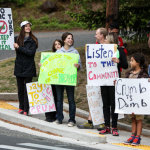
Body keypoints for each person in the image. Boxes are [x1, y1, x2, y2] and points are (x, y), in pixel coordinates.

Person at [77, 28, 108, 129]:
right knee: (93, 97)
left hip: (106, 78)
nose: (95, 36)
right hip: (95, 76)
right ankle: (90, 121)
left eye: (97, 34)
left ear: (102, 35)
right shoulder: (96, 47)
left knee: (104, 100)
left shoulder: (109, 46)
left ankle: (102, 122)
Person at [99, 32, 128, 136]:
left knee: (114, 104)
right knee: (105, 104)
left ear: (111, 40)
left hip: (114, 80)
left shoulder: (119, 50)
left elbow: (125, 65)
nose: (104, 40)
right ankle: (107, 126)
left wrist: (118, 61)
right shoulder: (101, 50)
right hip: (103, 80)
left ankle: (114, 127)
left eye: (106, 39)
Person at [55, 32, 82, 127]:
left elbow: (80, 66)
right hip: (59, 79)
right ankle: (59, 118)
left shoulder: (75, 52)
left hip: (69, 79)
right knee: (59, 99)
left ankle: (72, 119)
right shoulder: (58, 52)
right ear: (64, 40)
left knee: (71, 99)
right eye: (68, 38)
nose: (70, 40)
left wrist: (77, 66)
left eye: (71, 38)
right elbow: (53, 65)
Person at [123, 53, 148, 146]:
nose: (130, 62)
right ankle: (133, 135)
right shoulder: (129, 73)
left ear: (137, 62)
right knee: (133, 118)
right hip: (131, 101)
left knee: (139, 119)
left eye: (132, 60)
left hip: (139, 102)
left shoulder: (143, 74)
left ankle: (138, 136)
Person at [14, 21, 38, 116]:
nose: (28, 27)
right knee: (20, 88)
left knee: (27, 89)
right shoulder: (16, 39)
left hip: (29, 67)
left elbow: (30, 53)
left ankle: (26, 109)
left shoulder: (33, 40)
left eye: (29, 26)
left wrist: (19, 48)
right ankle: (21, 107)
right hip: (19, 67)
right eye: (26, 26)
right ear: (22, 28)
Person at [45, 39, 63, 122]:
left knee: (57, 97)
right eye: (55, 44)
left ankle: (56, 114)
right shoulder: (51, 56)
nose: (57, 45)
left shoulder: (65, 56)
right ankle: (49, 115)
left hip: (60, 79)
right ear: (54, 46)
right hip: (52, 79)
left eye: (59, 44)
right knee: (50, 96)